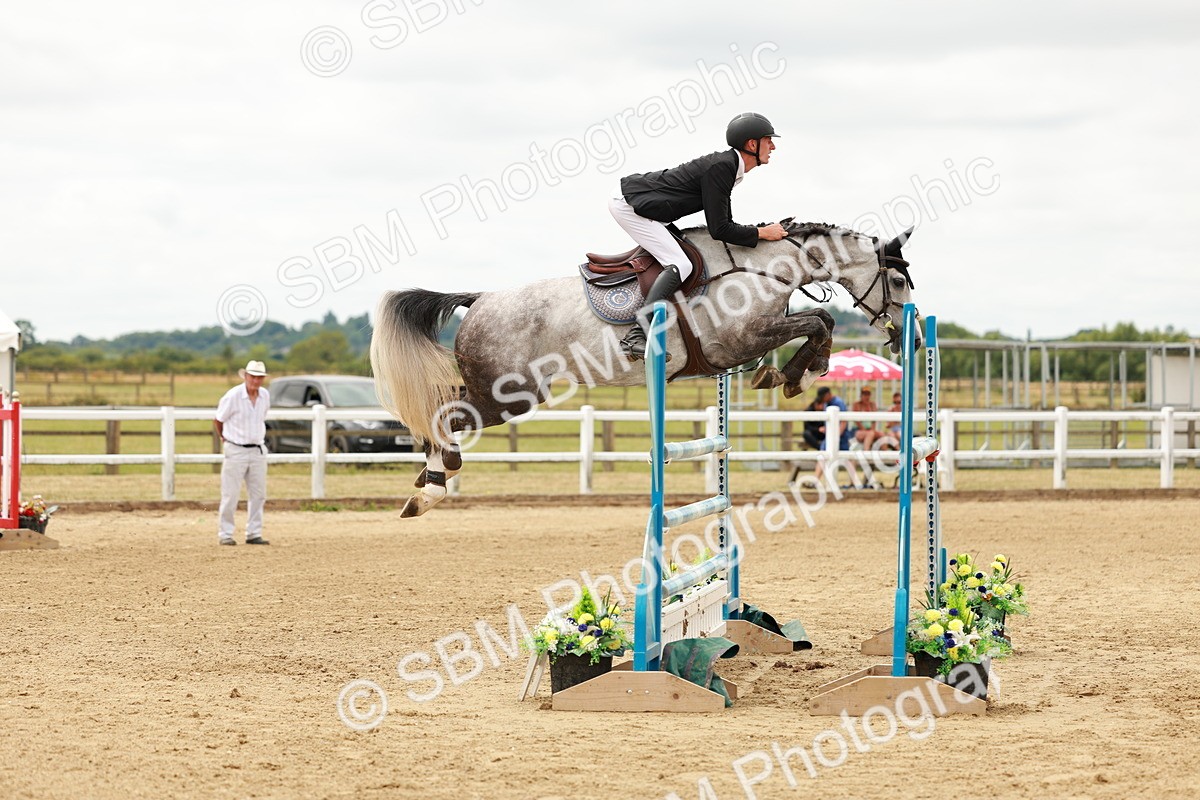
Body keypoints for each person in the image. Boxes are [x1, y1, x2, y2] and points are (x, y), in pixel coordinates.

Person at [610, 112, 789, 361]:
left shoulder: (730, 169)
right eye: (768, 140)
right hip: (634, 210)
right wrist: (762, 233)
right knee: (681, 264)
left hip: (652, 212)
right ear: (752, 144)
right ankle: (636, 335)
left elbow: (723, 224)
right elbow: (720, 229)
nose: (773, 146)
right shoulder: (723, 167)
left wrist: (759, 232)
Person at [215, 360, 271, 545]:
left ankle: (254, 532)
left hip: (257, 449)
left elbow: (262, 418)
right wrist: (225, 438)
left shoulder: (264, 396)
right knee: (230, 494)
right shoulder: (233, 396)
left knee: (258, 494)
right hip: (236, 449)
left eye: (259, 377)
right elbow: (219, 419)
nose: (255, 380)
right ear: (246, 376)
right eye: (253, 376)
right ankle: (226, 534)